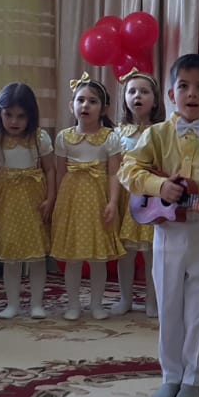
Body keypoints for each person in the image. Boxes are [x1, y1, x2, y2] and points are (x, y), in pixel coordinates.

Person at [119, 54, 199, 397]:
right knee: (169, 303)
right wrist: (159, 186)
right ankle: (171, 375)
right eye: (183, 86)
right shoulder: (156, 135)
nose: (192, 94)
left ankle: (193, 378)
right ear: (171, 95)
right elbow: (128, 170)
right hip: (167, 231)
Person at [50, 72, 125, 320]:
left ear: (103, 109)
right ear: (71, 105)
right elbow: (59, 173)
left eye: (92, 101)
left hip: (97, 202)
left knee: (97, 258)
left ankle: (96, 305)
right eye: (80, 100)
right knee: (72, 257)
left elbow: (114, 173)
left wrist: (112, 202)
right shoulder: (64, 137)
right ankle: (73, 304)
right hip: (71, 201)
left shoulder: (110, 138)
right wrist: (58, 203)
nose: (85, 105)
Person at [0, 83, 55, 319]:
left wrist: (51, 198)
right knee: (10, 257)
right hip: (6, 202)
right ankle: (12, 303)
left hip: (34, 200)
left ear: (31, 116)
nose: (14, 121)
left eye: (21, 116)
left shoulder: (39, 138)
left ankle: (36, 303)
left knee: (37, 256)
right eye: (8, 114)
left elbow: (50, 170)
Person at [115, 70, 164, 317]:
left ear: (154, 100)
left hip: (150, 198)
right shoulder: (117, 133)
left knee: (152, 252)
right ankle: (125, 298)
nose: (137, 96)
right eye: (132, 91)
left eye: (144, 92)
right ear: (125, 98)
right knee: (126, 252)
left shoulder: (161, 132)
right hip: (125, 199)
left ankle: (152, 301)